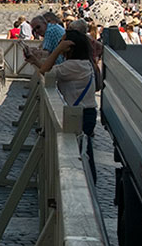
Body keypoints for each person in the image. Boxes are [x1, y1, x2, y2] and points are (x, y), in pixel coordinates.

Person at [25, 29, 98, 182]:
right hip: (84, 113)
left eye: (63, 42)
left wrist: (57, 50)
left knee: (80, 153)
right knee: (83, 151)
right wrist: (34, 61)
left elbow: (45, 71)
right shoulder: (81, 64)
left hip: (80, 115)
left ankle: (82, 184)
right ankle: (87, 182)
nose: (60, 43)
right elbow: (50, 71)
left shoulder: (74, 65)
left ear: (70, 47)